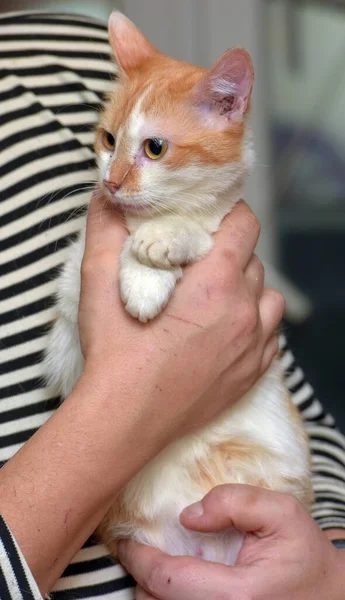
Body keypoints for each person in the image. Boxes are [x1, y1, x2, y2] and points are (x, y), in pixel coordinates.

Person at [1, 11, 345, 600]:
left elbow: (297, 402)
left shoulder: (79, 52)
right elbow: (62, 368)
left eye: (151, 148)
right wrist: (131, 397)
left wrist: (331, 572)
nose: (114, 177)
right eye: (109, 142)